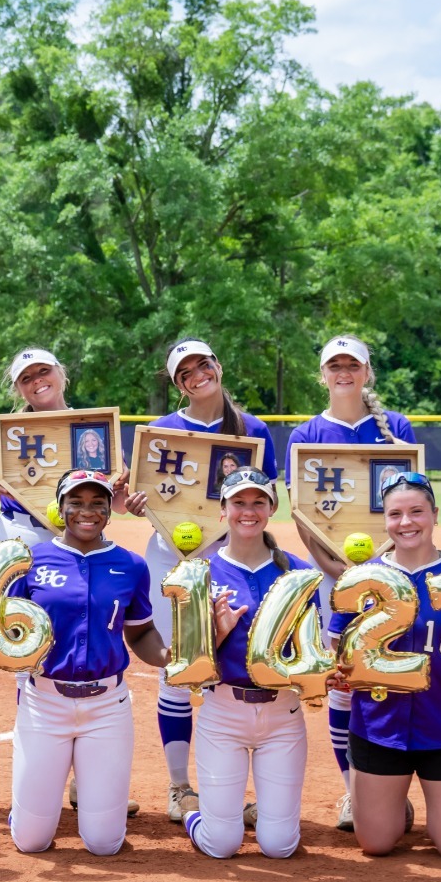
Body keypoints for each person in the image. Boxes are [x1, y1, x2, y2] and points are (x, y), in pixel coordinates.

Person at [144, 339, 279, 824]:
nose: (197, 374)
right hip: (169, 558)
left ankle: (251, 792)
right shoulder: (161, 430)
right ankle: (180, 786)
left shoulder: (253, 429)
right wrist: (133, 504)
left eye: (203, 364)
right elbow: (133, 500)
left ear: (218, 367)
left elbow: (262, 502)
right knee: (177, 668)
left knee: (240, 660)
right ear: (178, 383)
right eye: (185, 371)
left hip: (231, 560)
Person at [6, 471, 170, 856]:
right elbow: (9, 629)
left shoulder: (130, 565)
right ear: (60, 508)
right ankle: (25, 810)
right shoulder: (29, 560)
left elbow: (141, 633)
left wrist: (169, 658)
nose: (87, 511)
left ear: (109, 511)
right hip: (44, 703)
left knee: (104, 843)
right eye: (76, 502)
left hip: (106, 707)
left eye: (98, 503)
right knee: (31, 842)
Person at [317, 472, 441, 858]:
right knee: (376, 843)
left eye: (416, 512)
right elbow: (338, 650)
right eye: (395, 514)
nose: (406, 523)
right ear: (385, 521)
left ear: (434, 514)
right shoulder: (361, 581)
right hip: (380, 728)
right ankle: (394, 803)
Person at [182, 467, 309, 861]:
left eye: (258, 502)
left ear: (272, 509)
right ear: (223, 510)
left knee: (279, 846)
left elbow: (311, 652)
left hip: (283, 714)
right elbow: (187, 667)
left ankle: (269, 816)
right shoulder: (198, 573)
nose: (247, 511)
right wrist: (217, 634)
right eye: (238, 502)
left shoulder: (298, 572)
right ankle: (192, 812)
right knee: (221, 845)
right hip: (222, 715)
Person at [0, 348, 75, 548]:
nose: (36, 380)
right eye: (26, 378)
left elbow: (119, 505)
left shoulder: (91, 426)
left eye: (44, 370)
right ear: (19, 390)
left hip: (81, 535)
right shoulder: (8, 432)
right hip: (19, 535)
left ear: (61, 373)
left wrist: (123, 480)